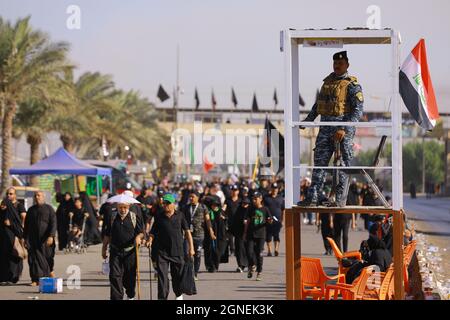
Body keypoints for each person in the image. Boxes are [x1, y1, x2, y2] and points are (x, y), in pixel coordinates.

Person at [298, 51, 364, 207]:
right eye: (335, 63)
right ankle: (313, 198)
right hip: (325, 130)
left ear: (347, 65)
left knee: (342, 166)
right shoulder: (327, 83)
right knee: (319, 164)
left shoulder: (352, 85)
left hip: (341, 132)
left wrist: (344, 128)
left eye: (340, 63)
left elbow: (358, 110)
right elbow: (318, 105)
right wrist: (308, 120)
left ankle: (339, 199)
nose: (337, 66)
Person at [147, 194, 195, 300]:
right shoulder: (159, 216)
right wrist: (150, 240)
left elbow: (187, 233)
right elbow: (153, 232)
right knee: (162, 277)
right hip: (162, 252)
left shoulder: (180, 215)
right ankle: (162, 297)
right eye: (164, 203)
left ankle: (178, 294)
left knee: (177, 276)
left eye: (168, 203)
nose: (166, 205)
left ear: (174, 204)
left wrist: (191, 248)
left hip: (177, 251)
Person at [102, 201, 144, 300]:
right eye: (121, 207)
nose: (123, 210)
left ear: (128, 206)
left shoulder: (134, 217)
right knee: (114, 276)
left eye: (125, 207)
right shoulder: (112, 217)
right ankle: (117, 298)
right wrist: (103, 249)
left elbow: (141, 232)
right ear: (117, 207)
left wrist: (138, 237)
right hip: (115, 251)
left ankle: (130, 295)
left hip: (130, 252)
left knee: (129, 277)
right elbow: (107, 235)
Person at [24, 191, 57, 286]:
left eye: (39, 195)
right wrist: (24, 238)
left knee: (46, 259)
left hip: (45, 239)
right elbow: (26, 225)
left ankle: (45, 276)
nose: (37, 197)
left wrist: (51, 236)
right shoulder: (31, 210)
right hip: (33, 239)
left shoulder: (49, 209)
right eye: (35, 196)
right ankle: (35, 279)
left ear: (43, 197)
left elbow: (53, 223)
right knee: (33, 259)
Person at [244, 192, 272, 281]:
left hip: (261, 235)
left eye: (256, 199)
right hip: (250, 234)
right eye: (253, 199)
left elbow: (270, 221)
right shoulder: (250, 209)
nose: (254, 201)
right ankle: (252, 265)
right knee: (249, 252)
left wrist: (270, 220)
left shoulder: (265, 209)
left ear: (261, 199)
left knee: (259, 253)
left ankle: (259, 272)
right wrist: (244, 232)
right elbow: (247, 221)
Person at [183, 191, 209, 280]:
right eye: (190, 197)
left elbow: (207, 220)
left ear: (198, 197)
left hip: (199, 235)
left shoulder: (203, 207)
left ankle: (195, 273)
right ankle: (189, 272)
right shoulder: (186, 207)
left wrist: (211, 231)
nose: (191, 198)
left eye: (193, 197)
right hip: (188, 234)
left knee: (197, 255)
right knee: (187, 254)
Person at [0, 198, 25, 284]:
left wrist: (10, 224)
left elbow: (19, 228)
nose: (2, 206)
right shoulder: (1, 214)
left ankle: (12, 278)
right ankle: (3, 278)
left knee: (12, 260)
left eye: (4, 204)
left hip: (12, 241)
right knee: (3, 260)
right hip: (2, 242)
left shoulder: (12, 214)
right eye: (1, 204)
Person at [264, 183, 285, 257]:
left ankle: (276, 250)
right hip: (268, 219)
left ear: (278, 189)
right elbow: (262, 209)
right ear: (271, 189)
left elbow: (283, 210)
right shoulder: (266, 198)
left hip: (277, 220)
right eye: (273, 188)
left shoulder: (281, 198)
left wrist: (282, 220)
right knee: (268, 236)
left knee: (276, 235)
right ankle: (269, 251)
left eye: (276, 188)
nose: (274, 190)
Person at [230, 197, 250, 273]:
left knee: (248, 249)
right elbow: (235, 221)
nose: (244, 205)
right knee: (239, 249)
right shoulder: (238, 210)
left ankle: (250, 264)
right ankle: (240, 265)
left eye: (246, 204)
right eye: (243, 203)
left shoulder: (250, 211)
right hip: (239, 233)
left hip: (248, 234)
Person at [224, 184, 241, 255]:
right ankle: (232, 250)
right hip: (230, 221)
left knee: (237, 237)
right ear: (231, 191)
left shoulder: (240, 200)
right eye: (233, 190)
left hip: (238, 222)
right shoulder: (227, 200)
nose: (234, 192)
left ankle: (237, 250)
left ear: (238, 191)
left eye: (235, 190)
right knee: (230, 237)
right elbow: (224, 208)